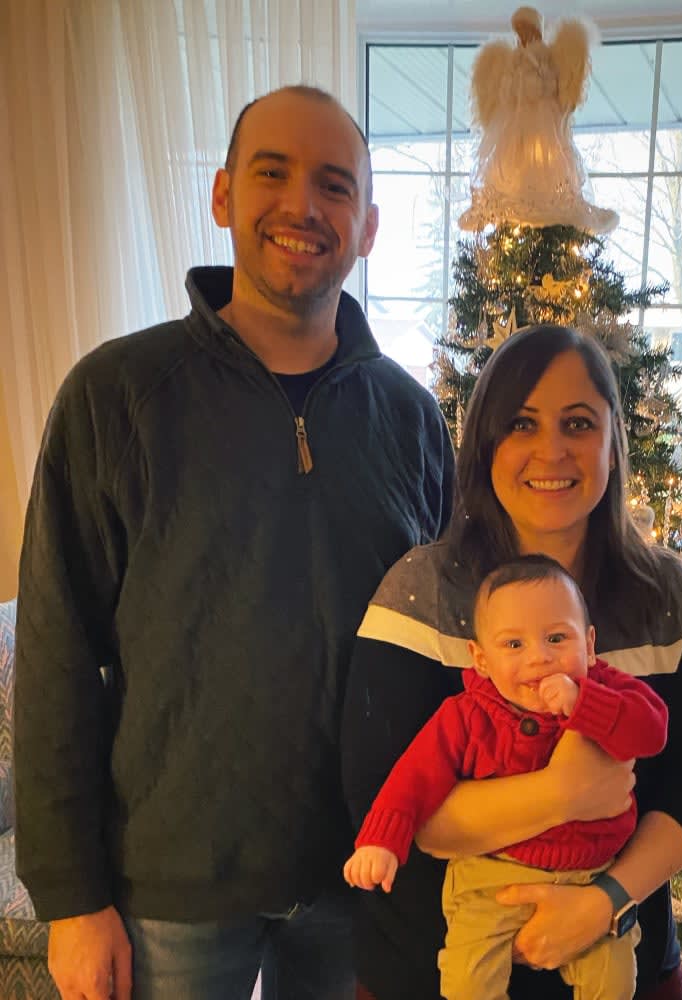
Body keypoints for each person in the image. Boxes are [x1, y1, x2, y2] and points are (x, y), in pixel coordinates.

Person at [14, 85, 453, 1000]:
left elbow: (446, 659)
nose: (302, 205)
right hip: (169, 888)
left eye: (334, 186)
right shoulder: (114, 397)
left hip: (363, 877)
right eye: (272, 173)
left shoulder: (412, 421)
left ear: (367, 226)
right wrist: (69, 898)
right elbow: (57, 659)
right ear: (222, 197)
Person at [342, 322, 682, 1000]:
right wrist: (565, 792)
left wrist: (603, 901)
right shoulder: (422, 590)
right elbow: (390, 799)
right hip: (435, 969)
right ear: (486, 444)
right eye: (521, 424)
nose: (551, 449)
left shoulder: (664, 597)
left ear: (614, 441)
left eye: (578, 423)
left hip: (621, 953)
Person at [345, 554, 668, 1000]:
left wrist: (585, 703)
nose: (539, 658)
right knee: (468, 981)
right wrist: (381, 841)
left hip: (593, 875)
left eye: (557, 637)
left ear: (590, 645)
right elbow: (414, 778)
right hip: (489, 878)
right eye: (513, 645)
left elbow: (652, 731)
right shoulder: (466, 716)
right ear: (480, 658)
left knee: (614, 983)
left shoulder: (609, 691)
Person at [457, 7, 618, 235]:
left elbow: (554, 88)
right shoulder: (512, 60)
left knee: (545, 164)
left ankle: (542, 201)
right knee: (510, 163)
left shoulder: (545, 56)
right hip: (513, 126)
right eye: (518, 30)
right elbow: (504, 91)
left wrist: (532, 85)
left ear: (534, 29)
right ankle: (514, 198)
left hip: (542, 122)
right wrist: (514, 88)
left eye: (524, 28)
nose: (521, 34)